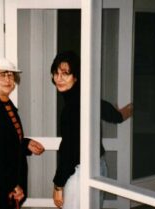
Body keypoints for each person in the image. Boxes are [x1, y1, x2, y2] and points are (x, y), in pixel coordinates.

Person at [50, 51, 133, 209]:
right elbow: (113, 115)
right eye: (56, 73)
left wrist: (58, 186)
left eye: (65, 74)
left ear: (76, 77)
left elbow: (69, 151)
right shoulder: (87, 97)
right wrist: (126, 112)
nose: (58, 78)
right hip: (98, 167)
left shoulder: (70, 109)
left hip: (79, 173)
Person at [0, 58, 45, 209]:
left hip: (4, 189)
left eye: (11, 75)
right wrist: (11, 185)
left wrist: (25, 143)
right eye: (2, 74)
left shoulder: (7, 105)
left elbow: (4, 142)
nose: (8, 79)